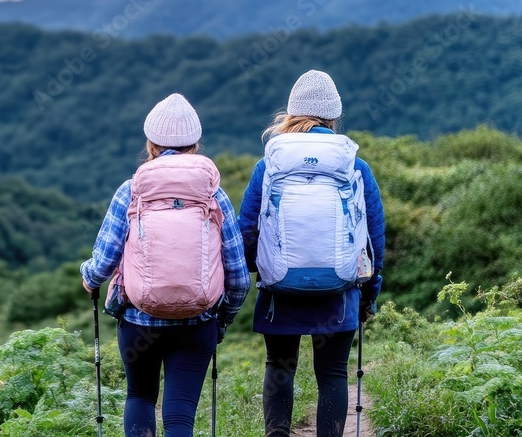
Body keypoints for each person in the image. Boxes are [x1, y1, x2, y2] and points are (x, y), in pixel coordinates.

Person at [81, 93, 250, 437]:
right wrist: (222, 320)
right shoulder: (214, 195)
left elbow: (104, 262)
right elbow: (238, 275)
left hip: (138, 320)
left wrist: (89, 278)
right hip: (197, 321)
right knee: (179, 414)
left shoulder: (131, 191)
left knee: (140, 396)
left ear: (151, 143)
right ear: (195, 145)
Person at [238, 70, 386, 437]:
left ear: (290, 113)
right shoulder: (355, 167)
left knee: (279, 366)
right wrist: (369, 294)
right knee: (332, 373)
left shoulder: (268, 165)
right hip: (339, 291)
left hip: (280, 289)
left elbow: (247, 231)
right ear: (334, 116)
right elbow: (373, 240)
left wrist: (262, 269)